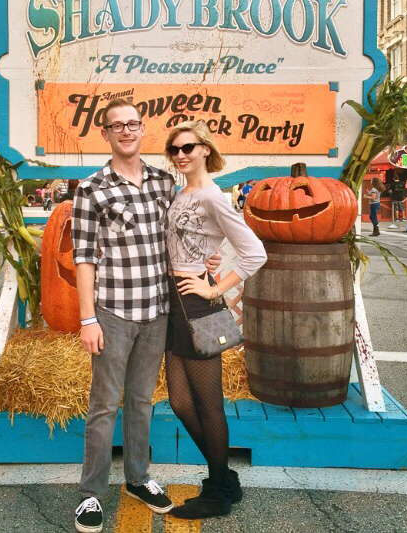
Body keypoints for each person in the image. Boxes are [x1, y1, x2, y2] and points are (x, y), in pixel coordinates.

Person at [71, 99, 220, 533]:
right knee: (104, 404)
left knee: (141, 401)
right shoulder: (91, 189)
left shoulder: (163, 182)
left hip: (157, 311)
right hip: (114, 312)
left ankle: (138, 478)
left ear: (141, 129)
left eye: (132, 123)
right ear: (105, 133)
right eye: (116, 125)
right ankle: (91, 493)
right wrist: (87, 319)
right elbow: (84, 258)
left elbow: (181, 235)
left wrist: (206, 260)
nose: (126, 130)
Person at [164, 120, 267, 520]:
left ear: (205, 149)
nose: (180, 155)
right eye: (174, 149)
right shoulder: (182, 193)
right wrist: (209, 258)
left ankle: (217, 491)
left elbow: (254, 253)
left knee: (209, 404)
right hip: (173, 302)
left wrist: (213, 288)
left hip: (198, 305)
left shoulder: (213, 196)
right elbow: (194, 242)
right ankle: (224, 478)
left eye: (188, 147)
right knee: (179, 402)